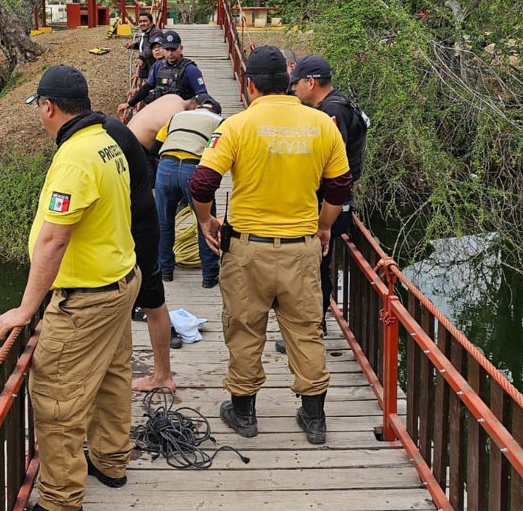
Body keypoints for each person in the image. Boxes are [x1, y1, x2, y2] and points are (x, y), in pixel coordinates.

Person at [188, 46, 352, 445]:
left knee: (245, 330)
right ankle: (314, 419)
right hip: (301, 247)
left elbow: (202, 183)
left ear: (251, 83)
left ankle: (243, 414)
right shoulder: (322, 124)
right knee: (306, 332)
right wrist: (324, 227)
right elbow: (340, 186)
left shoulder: (236, 126)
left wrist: (206, 219)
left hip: (247, 250)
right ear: (288, 80)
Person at [0, 65, 140, 511]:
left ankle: (59, 500)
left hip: (86, 300)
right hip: (121, 283)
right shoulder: (105, 142)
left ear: (49, 106)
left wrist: (25, 308)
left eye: (39, 107)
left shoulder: (75, 157)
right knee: (113, 379)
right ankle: (111, 462)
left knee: (56, 398)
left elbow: (56, 238)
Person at [101, 114, 181, 392]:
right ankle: (161, 374)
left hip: (137, 228)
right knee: (152, 300)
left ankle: (161, 375)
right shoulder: (112, 128)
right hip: (143, 218)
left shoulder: (101, 139)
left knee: (147, 299)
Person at [290, 54, 369, 328]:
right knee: (316, 263)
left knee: (315, 266)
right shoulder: (341, 103)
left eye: (295, 83)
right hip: (333, 201)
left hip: (327, 203)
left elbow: (333, 164)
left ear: (310, 82)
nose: (293, 90)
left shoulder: (330, 113)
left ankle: (314, 323)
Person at [149, 97, 224, 287]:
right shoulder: (219, 122)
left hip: (166, 167)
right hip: (194, 170)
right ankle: (209, 276)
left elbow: (154, 148)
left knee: (164, 223)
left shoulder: (177, 117)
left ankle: (165, 271)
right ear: (216, 112)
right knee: (205, 222)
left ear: (198, 107)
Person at [120, 31, 210, 112]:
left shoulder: (191, 70)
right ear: (163, 49)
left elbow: (202, 96)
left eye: (173, 49)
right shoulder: (158, 66)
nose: (170, 53)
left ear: (181, 48)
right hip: (159, 112)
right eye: (167, 49)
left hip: (182, 114)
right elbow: (147, 87)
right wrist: (129, 104)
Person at [124, 11, 160, 82]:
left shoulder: (156, 33)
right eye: (140, 21)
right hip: (146, 63)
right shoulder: (146, 32)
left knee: (151, 83)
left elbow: (150, 45)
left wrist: (141, 57)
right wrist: (133, 45)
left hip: (153, 63)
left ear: (151, 22)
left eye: (145, 21)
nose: (142, 23)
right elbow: (144, 44)